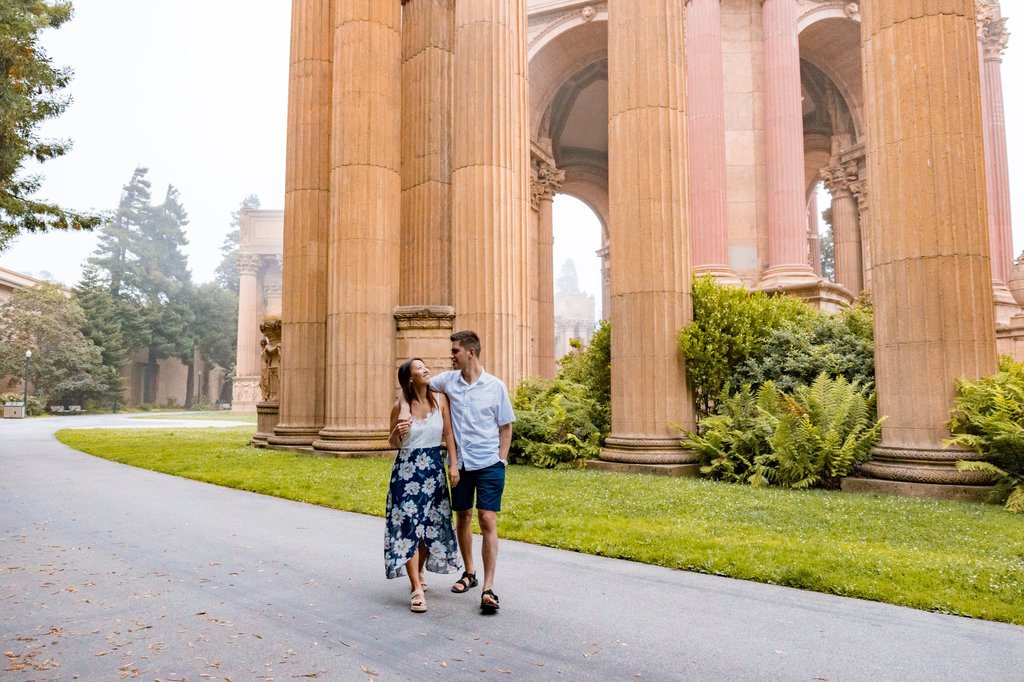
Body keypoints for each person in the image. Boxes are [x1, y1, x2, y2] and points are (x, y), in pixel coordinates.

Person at [429, 330, 515, 614]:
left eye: (454, 351)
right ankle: (469, 573)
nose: (450, 355)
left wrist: (501, 460)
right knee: (463, 516)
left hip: (489, 464)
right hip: (461, 465)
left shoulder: (495, 386)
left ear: (470, 352)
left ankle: (488, 588)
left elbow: (506, 426)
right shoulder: (448, 381)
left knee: (487, 519)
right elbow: (421, 384)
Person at [384, 358, 462, 613]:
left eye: (425, 366)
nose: (426, 369)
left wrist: (452, 465)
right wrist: (398, 430)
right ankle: (416, 587)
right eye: (419, 368)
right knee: (409, 527)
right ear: (409, 378)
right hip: (407, 472)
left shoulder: (440, 400)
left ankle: (418, 570)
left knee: (429, 528)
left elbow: (448, 433)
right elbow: (392, 442)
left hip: (433, 469)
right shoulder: (400, 406)